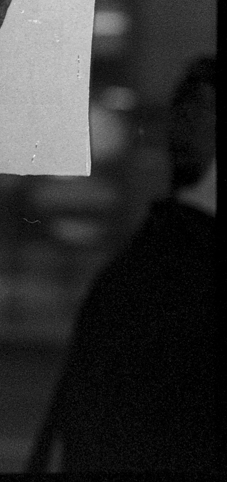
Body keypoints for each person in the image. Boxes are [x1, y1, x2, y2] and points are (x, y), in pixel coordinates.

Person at [28, 55, 219, 473]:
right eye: (186, 111)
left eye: (198, 111)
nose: (181, 124)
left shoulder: (157, 259)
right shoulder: (167, 261)